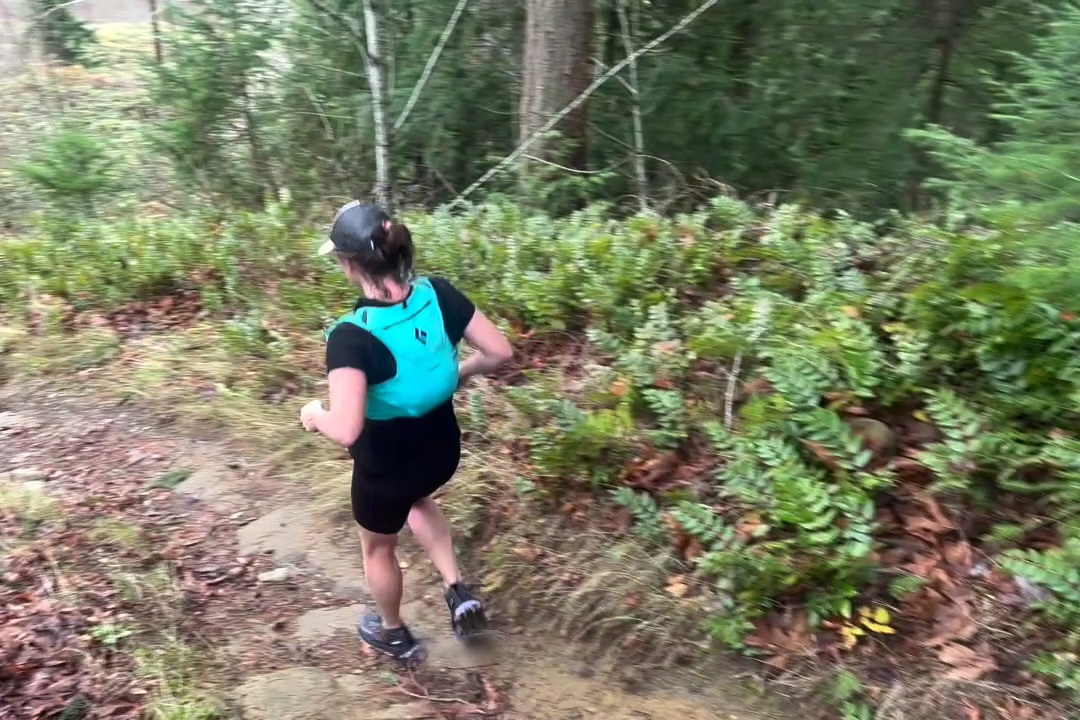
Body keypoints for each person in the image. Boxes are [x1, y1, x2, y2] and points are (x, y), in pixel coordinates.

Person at [299, 200, 513, 660]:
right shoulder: (439, 294)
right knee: (417, 498)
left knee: (378, 547)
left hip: (385, 469)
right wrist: (460, 373)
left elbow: (347, 427)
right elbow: (499, 352)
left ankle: (393, 632)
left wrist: (315, 414)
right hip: (441, 452)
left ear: (350, 265)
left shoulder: (351, 337)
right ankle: (458, 591)